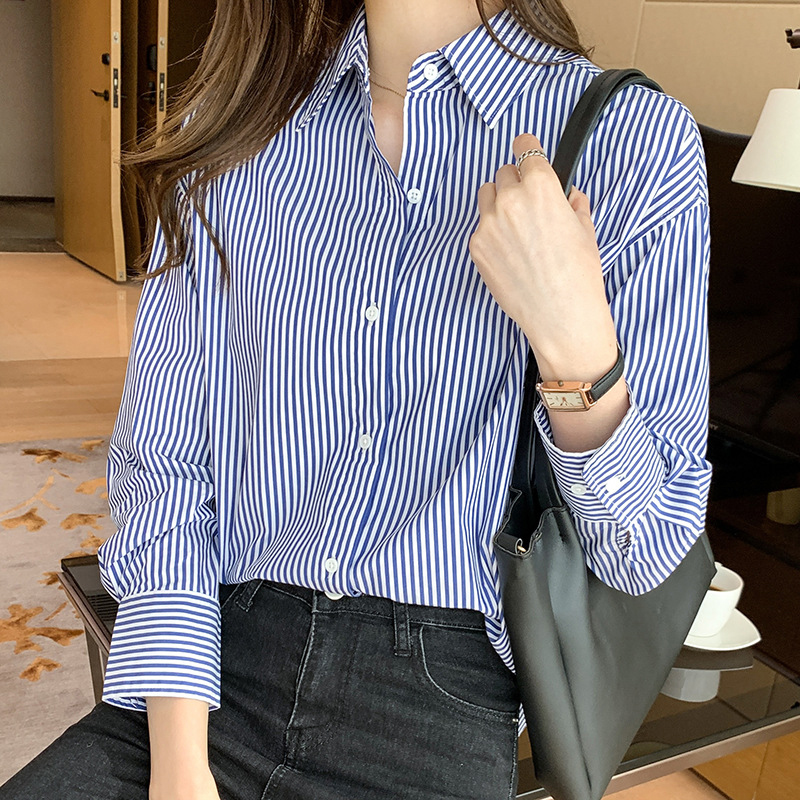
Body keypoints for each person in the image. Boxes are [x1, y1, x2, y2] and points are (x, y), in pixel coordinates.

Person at [0, 0, 712, 798]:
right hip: (218, 664)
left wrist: (572, 342)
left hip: (435, 703)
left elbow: (645, 553)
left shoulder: (631, 140)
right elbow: (163, 463)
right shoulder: (235, 130)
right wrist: (180, 765)